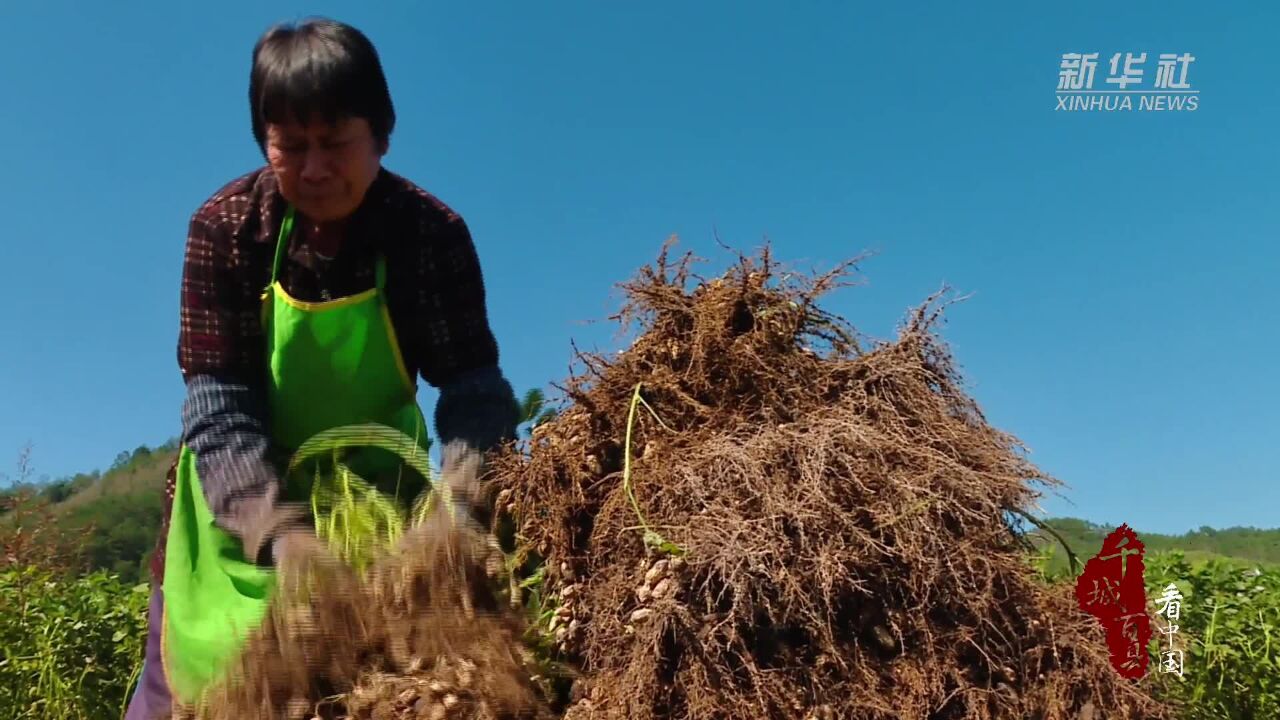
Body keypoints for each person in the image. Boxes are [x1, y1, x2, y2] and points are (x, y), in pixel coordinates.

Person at [124, 17, 520, 719]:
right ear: (264, 143)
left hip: (380, 502)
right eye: (289, 145)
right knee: (196, 688)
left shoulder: (430, 236)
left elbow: (473, 390)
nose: (313, 168)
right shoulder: (224, 231)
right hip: (239, 504)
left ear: (382, 133)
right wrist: (280, 535)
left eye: (335, 142)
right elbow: (219, 407)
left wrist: (458, 506)